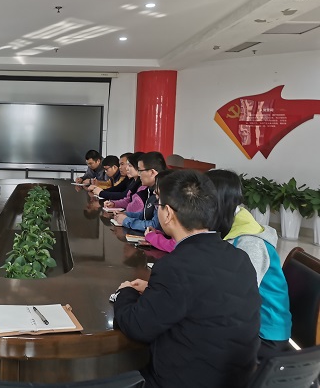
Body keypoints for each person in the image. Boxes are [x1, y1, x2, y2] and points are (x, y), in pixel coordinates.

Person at [112, 170, 261, 388]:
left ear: (168, 214)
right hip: (237, 380)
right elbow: (201, 296)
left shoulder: (175, 266)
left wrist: (125, 292)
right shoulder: (239, 257)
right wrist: (154, 289)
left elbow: (137, 326)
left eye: (159, 204)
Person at [207, 169, 292, 359]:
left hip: (265, 334)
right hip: (247, 323)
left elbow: (239, 299)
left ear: (216, 201)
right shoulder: (228, 227)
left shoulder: (250, 243)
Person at [114, 152, 167, 230]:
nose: (139, 174)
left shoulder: (164, 191)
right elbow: (146, 215)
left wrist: (126, 221)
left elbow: (155, 225)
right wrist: (126, 214)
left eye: (140, 171)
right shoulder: (150, 189)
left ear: (152, 172)